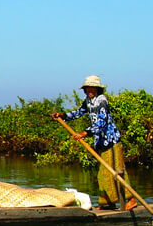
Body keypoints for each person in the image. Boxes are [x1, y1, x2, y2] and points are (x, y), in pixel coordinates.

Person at [52, 75, 136, 211]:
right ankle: (108, 203)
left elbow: (101, 121)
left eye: (93, 88)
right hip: (101, 143)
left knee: (117, 171)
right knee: (103, 173)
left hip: (111, 140)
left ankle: (130, 199)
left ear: (97, 89)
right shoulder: (88, 101)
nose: (90, 90)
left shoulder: (102, 101)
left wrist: (85, 133)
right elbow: (78, 113)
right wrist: (63, 116)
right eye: (88, 88)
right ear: (85, 89)